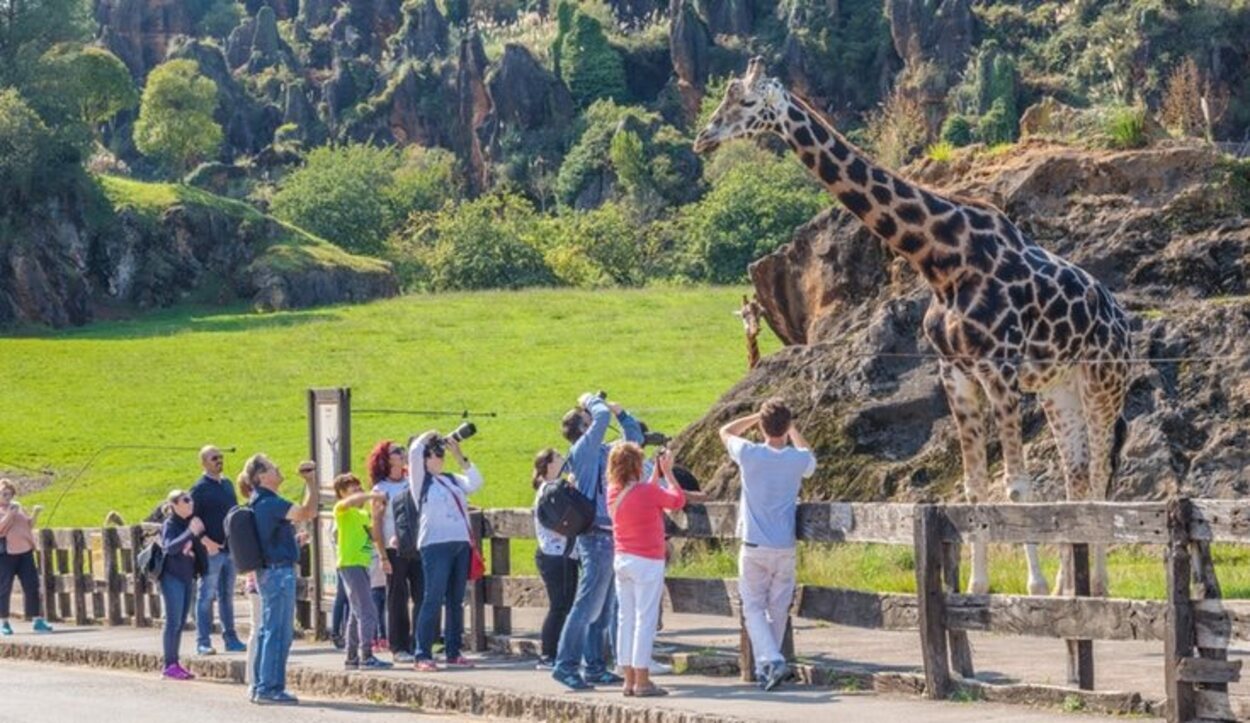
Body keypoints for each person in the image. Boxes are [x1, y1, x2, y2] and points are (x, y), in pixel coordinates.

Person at [719, 399, 816, 691]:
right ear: (786, 427)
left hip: (754, 543)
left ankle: (771, 660)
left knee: (752, 606)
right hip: (784, 545)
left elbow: (725, 431)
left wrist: (755, 417)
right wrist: (793, 428)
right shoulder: (796, 460)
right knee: (778, 608)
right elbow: (810, 459)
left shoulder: (749, 454)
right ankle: (767, 666)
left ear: (762, 427)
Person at [552, 393, 642, 691]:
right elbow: (602, 418)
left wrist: (624, 414)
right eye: (588, 421)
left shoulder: (603, 453)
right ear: (582, 428)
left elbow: (634, 442)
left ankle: (594, 667)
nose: (596, 425)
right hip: (595, 538)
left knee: (602, 609)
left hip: (609, 536)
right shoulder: (584, 451)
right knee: (586, 606)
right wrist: (592, 400)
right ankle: (565, 665)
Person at [609, 445, 686, 697]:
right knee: (645, 620)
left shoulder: (613, 492)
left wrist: (657, 476)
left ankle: (628, 679)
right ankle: (643, 679)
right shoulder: (647, 491)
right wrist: (669, 473)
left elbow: (643, 494)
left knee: (626, 619)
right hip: (647, 561)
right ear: (636, 466)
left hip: (622, 559)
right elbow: (676, 500)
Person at [244, 454, 318, 705]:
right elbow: (308, 512)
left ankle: (260, 685)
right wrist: (311, 482)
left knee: (268, 630)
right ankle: (270, 688)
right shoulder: (271, 503)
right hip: (278, 573)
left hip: (268, 572)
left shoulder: (258, 502)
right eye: (273, 467)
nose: (279, 470)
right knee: (279, 632)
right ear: (262, 476)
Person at [408, 430, 483, 671]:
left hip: (459, 543)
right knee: (433, 598)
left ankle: (454, 650)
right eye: (434, 454)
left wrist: (459, 455)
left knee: (456, 600)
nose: (439, 458)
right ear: (425, 459)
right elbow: (413, 451)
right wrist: (429, 435)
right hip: (435, 544)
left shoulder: (452, 479)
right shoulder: (421, 482)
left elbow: (476, 482)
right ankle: (422, 653)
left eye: (441, 454)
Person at [368, 440, 422, 664]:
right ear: (387, 459)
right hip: (393, 548)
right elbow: (377, 524)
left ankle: (420, 641)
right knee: (397, 597)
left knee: (422, 594)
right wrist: (382, 555)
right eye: (396, 452)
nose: (401, 454)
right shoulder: (381, 489)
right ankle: (399, 645)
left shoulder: (412, 482)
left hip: (417, 545)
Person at [332, 473, 393, 670]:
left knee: (356, 612)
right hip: (351, 563)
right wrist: (371, 496)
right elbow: (352, 502)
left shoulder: (361, 515)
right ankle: (366, 654)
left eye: (359, 487)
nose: (359, 492)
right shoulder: (342, 510)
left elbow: (374, 536)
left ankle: (352, 656)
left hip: (362, 563)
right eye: (353, 489)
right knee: (368, 610)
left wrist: (377, 515)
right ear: (342, 493)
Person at [190, 445, 245, 655]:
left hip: (230, 549)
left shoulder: (228, 485)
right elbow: (191, 518)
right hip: (211, 551)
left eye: (220, 457)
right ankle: (202, 641)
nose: (219, 461)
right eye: (214, 458)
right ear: (203, 462)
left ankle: (230, 638)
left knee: (227, 596)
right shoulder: (199, 488)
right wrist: (205, 541)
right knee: (206, 596)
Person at [531, 448, 579, 669]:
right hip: (555, 553)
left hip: (562, 553)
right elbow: (562, 522)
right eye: (558, 457)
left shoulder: (553, 488)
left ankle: (558, 651)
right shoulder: (549, 490)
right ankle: (548, 654)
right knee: (559, 605)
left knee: (565, 605)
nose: (563, 459)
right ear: (549, 465)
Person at [158, 489, 206, 680]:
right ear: (174, 506)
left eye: (191, 499)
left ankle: (174, 663)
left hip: (187, 577)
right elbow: (170, 547)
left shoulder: (188, 522)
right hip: (172, 577)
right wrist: (189, 533)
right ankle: (169, 664)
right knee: (173, 621)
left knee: (180, 623)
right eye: (185, 500)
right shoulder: (170, 524)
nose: (190, 503)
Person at [0, 479, 52, 635]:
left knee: (32, 586)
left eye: (9, 493)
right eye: (3, 493)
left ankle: (37, 620)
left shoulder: (19, 507)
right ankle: (4, 622)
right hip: (6, 554)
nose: (6, 495)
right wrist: (10, 514)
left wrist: (35, 513)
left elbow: (28, 525)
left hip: (25, 552)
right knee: (4, 588)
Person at [235, 473, 262, 695]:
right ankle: (254, 676)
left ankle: (254, 675)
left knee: (259, 629)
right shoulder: (252, 513)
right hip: (258, 581)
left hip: (255, 580)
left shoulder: (250, 512)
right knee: (259, 628)